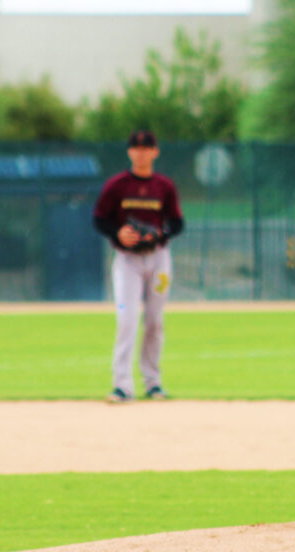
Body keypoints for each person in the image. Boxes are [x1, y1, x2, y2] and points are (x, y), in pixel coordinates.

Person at [92, 130, 184, 403]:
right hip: (127, 261)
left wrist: (160, 234)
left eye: (147, 147)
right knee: (126, 318)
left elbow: (177, 223)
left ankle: (153, 382)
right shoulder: (117, 185)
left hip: (158, 259)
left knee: (155, 320)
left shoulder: (164, 186)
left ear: (155, 152)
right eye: (136, 147)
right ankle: (122, 385)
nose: (141, 152)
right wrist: (118, 232)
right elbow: (99, 219)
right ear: (130, 152)